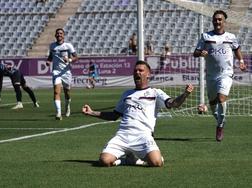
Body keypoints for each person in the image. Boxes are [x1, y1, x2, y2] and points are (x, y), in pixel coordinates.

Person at [82, 60, 194, 167]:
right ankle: (125, 161)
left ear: (148, 75)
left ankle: (136, 158)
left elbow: (174, 104)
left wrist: (185, 94)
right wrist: (92, 112)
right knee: (104, 161)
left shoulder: (155, 93)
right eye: (135, 71)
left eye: (141, 70)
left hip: (143, 135)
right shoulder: (126, 94)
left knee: (157, 163)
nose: (137, 72)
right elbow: (114, 115)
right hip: (123, 135)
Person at [193, 10, 247, 142]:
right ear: (212, 21)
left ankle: (220, 126)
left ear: (224, 21)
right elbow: (195, 52)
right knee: (212, 103)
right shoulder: (206, 36)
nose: (217, 21)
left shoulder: (231, 37)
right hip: (211, 75)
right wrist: (201, 53)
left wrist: (240, 61)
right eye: (215, 19)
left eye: (220, 19)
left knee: (221, 98)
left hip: (226, 73)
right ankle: (220, 120)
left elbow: (237, 49)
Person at [46, 28, 78, 120]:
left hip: (66, 72)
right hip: (56, 72)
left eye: (61, 33)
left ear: (63, 35)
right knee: (56, 91)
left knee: (67, 92)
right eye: (57, 33)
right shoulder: (52, 46)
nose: (59, 35)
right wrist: (48, 61)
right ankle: (58, 113)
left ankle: (67, 106)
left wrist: (70, 60)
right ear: (55, 35)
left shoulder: (68, 46)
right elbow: (51, 56)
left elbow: (76, 57)